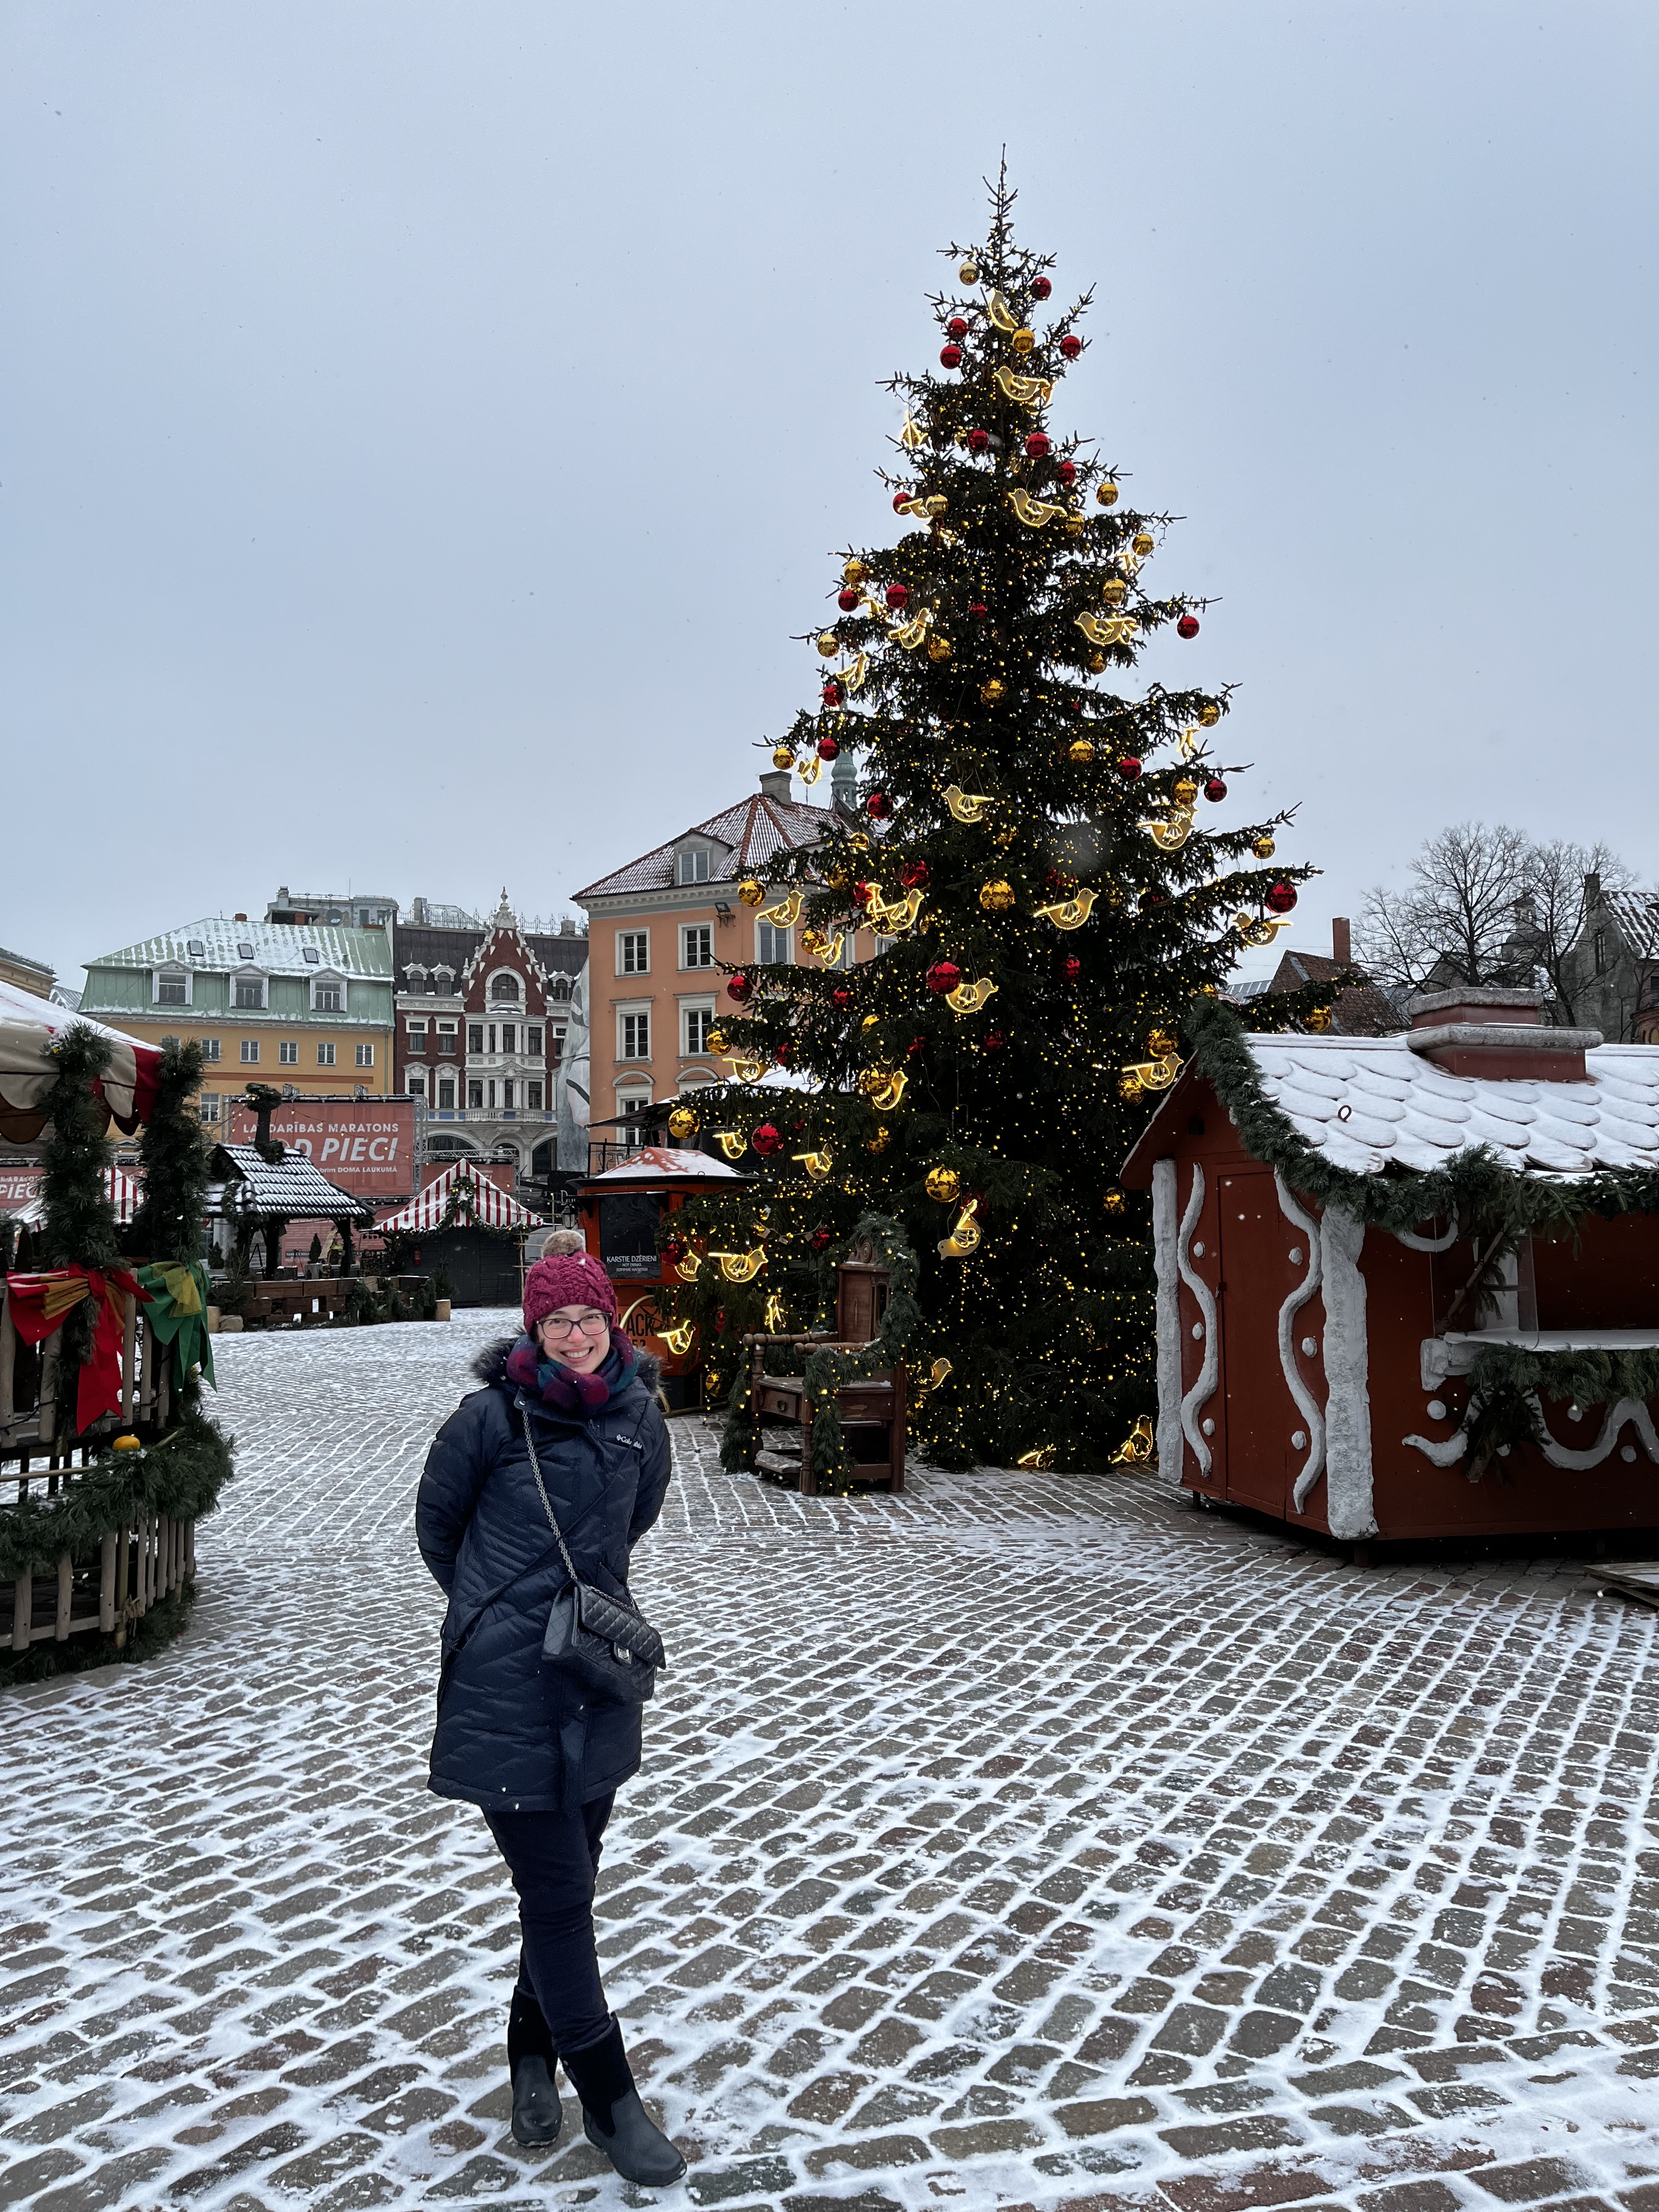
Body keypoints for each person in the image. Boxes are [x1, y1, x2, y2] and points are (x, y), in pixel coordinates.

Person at [416, 1248, 684, 2186]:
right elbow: (438, 1528)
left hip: (596, 1675)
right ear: (530, 1332)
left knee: (572, 1877)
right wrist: (493, 1608)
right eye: (556, 1324)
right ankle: (612, 2100)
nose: (574, 1337)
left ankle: (530, 2049)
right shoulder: (488, 1418)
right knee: (562, 1899)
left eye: (589, 1321)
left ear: (613, 1325)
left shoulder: (640, 1420)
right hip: (506, 1688)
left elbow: (630, 1526)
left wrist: (576, 1610)